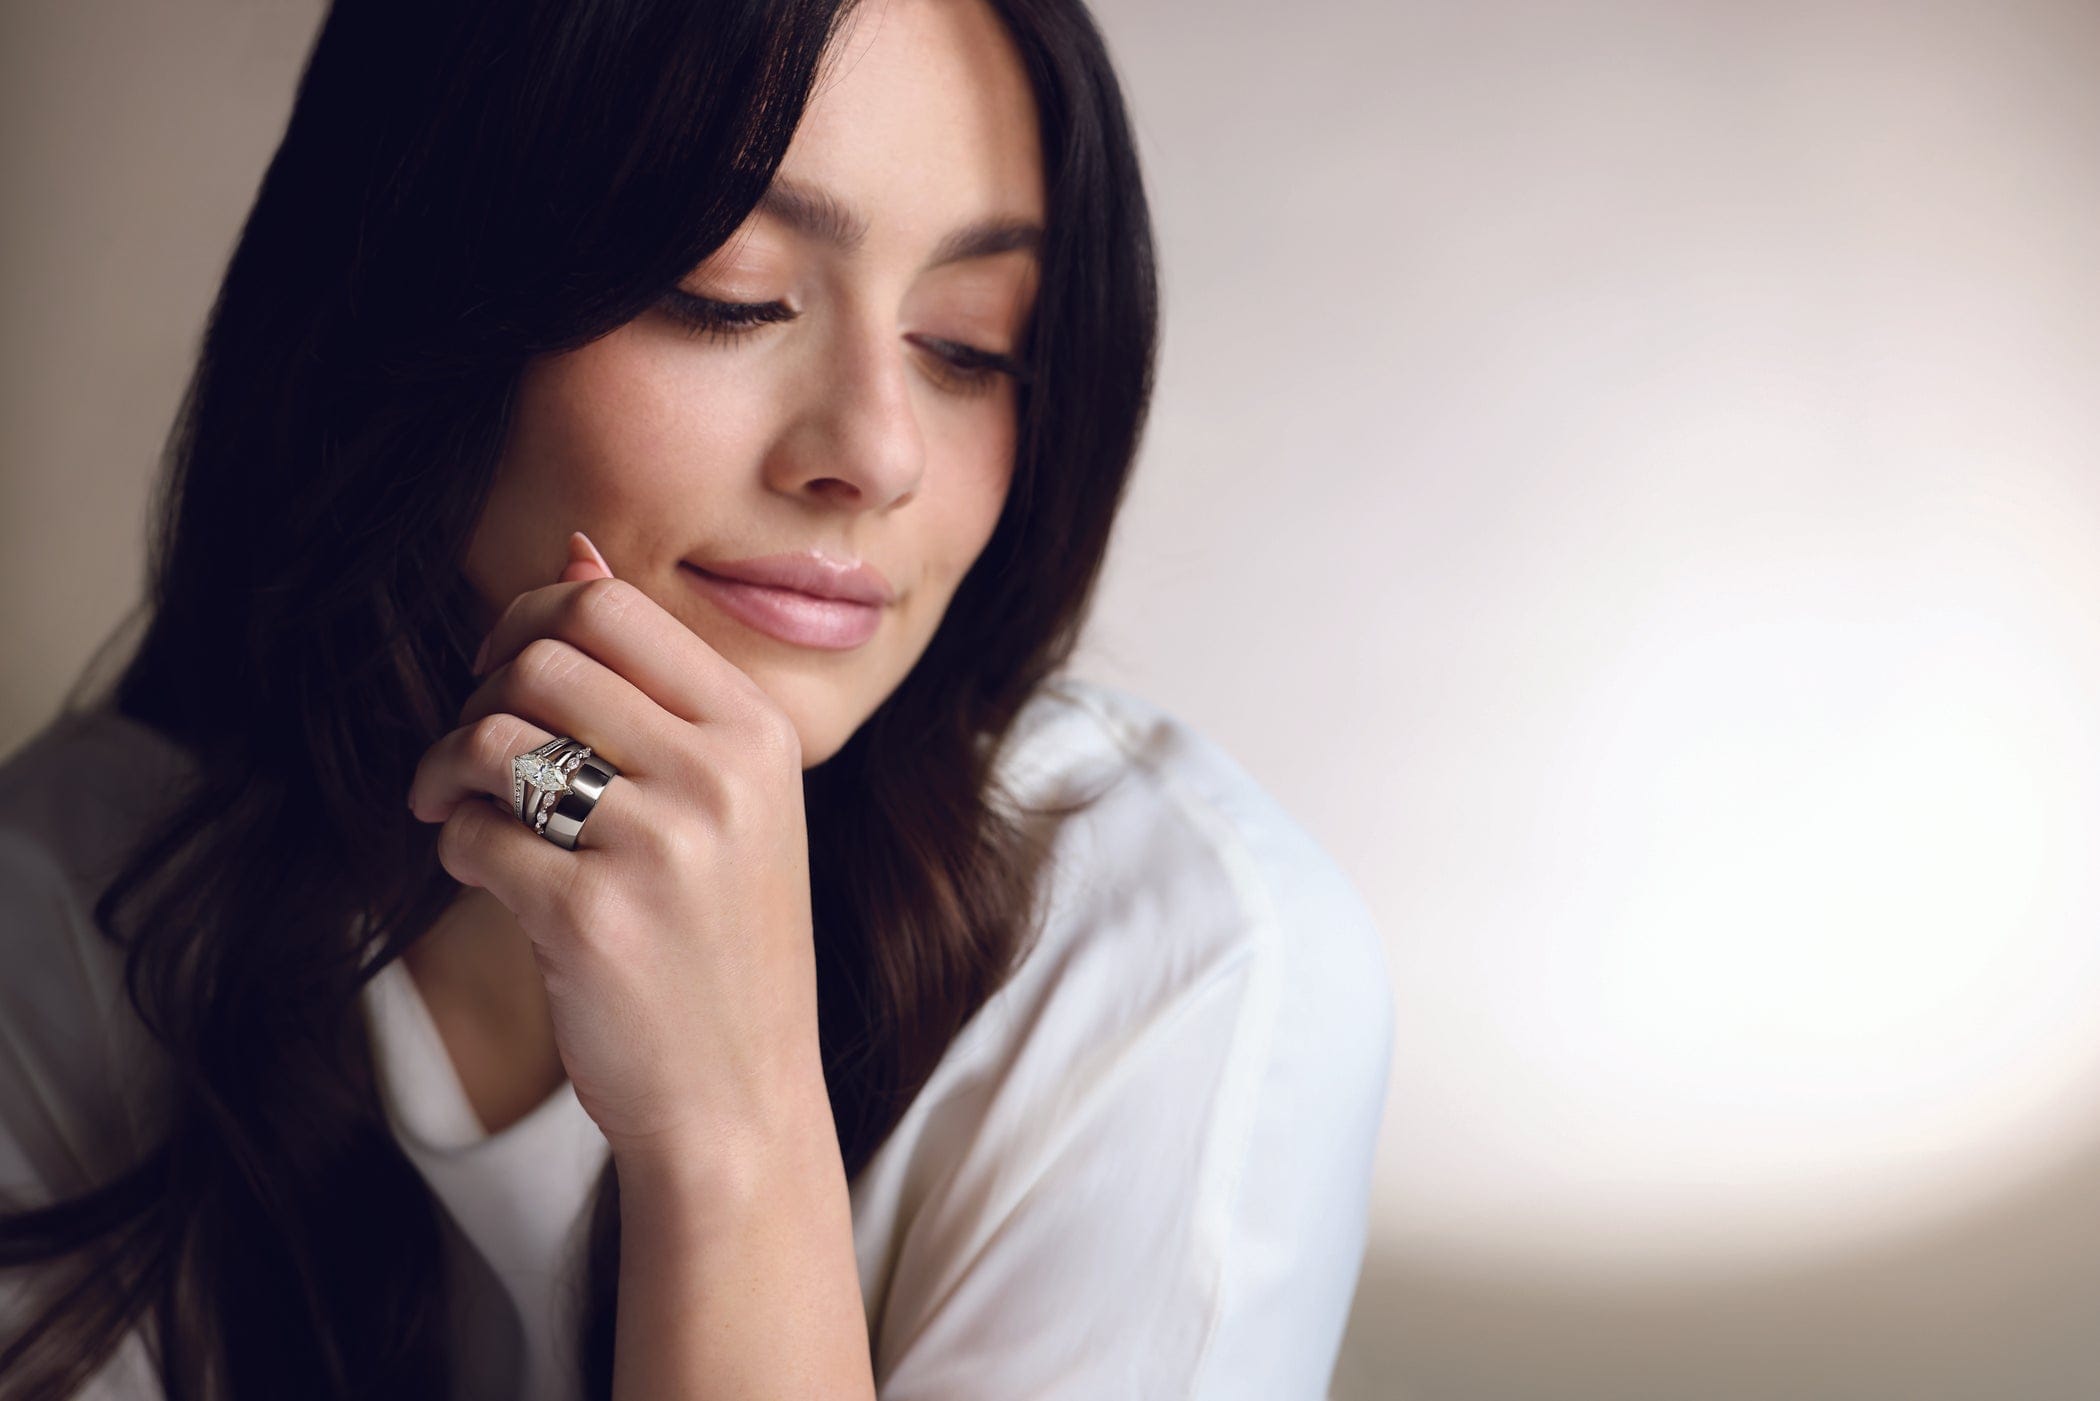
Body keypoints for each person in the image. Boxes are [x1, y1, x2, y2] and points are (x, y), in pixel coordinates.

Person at [0, 0, 1395, 1397]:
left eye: (970, 344)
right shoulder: (68, 907)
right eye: (731, 293)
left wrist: (736, 1134)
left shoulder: (1180, 961)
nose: (876, 451)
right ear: (423, 286)